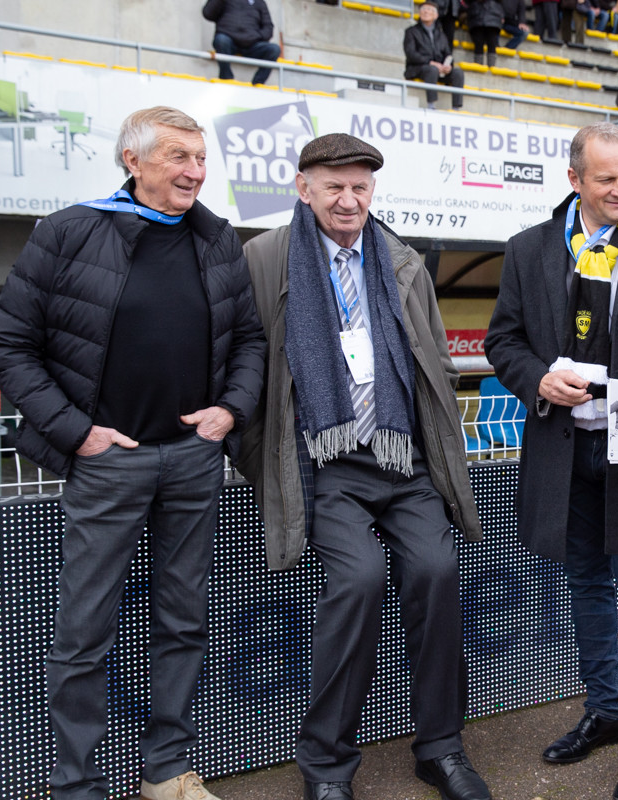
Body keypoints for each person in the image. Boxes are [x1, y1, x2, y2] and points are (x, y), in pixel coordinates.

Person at [0, 105, 267, 800]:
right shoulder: (68, 233)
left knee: (184, 622)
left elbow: (250, 341)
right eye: (178, 156)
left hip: (194, 460)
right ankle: (76, 785)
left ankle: (167, 772)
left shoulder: (218, 240)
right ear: (132, 161)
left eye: (200, 158)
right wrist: (77, 433)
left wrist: (230, 410)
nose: (195, 171)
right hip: (106, 462)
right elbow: (8, 345)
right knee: (84, 632)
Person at [238, 133, 488, 800]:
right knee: (359, 579)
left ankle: (441, 747)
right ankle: (326, 765)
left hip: (401, 457)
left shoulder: (401, 259)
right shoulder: (265, 258)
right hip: (324, 465)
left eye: (360, 187)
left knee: (435, 572)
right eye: (334, 187)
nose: (348, 200)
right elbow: (244, 365)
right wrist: (263, 460)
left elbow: (436, 360)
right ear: (304, 189)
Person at [484, 122, 618, 800]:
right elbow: (503, 340)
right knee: (584, 583)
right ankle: (605, 713)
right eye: (606, 179)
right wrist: (537, 379)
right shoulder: (528, 248)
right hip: (565, 450)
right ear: (574, 179)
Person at [404, 1, 466, 110]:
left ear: (436, 15)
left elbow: (448, 54)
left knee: (458, 73)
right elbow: (411, 54)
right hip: (418, 68)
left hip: (438, 69)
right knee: (431, 70)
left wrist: (448, 65)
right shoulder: (411, 31)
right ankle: (431, 105)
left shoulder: (441, 35)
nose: (426, 12)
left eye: (429, 10)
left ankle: (456, 107)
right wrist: (430, 62)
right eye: (423, 9)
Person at [203, 0, 281, 85]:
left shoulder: (259, 2)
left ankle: (257, 83)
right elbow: (208, 14)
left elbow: (268, 27)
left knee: (274, 49)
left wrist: (258, 36)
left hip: (252, 45)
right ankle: (226, 77)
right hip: (229, 41)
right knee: (221, 40)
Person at [465, 0, 505, 66]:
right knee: (479, 44)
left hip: (493, 16)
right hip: (477, 15)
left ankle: (490, 67)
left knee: (492, 44)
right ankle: (479, 67)